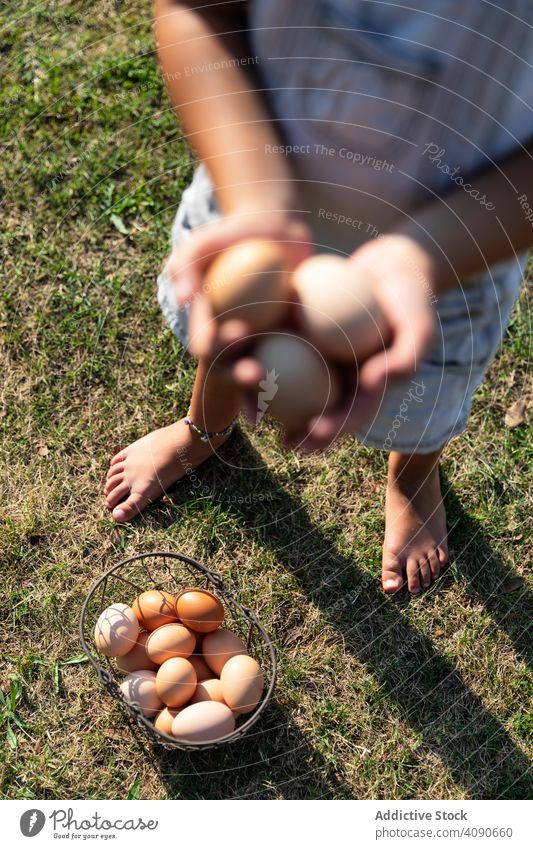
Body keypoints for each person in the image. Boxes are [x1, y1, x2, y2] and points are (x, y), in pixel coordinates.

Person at [104, 0, 532, 594]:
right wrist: (258, 201)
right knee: (238, 323)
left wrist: (417, 259)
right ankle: (204, 430)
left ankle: (411, 478)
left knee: (422, 395)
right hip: (256, 188)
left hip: (458, 249)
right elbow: (196, 8)